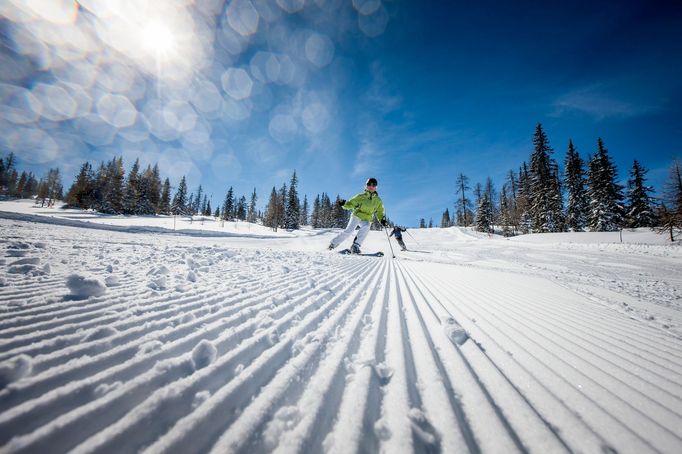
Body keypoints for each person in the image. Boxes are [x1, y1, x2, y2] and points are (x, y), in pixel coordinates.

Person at [328, 177, 387, 254]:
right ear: (366, 186)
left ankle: (355, 246)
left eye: (373, 185)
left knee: (366, 226)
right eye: (369, 184)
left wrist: (382, 219)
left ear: (376, 187)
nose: (371, 186)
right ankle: (332, 244)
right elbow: (351, 204)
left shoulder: (378, 200)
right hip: (357, 215)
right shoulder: (361, 196)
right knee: (349, 231)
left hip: (367, 218)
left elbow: (380, 211)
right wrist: (344, 204)